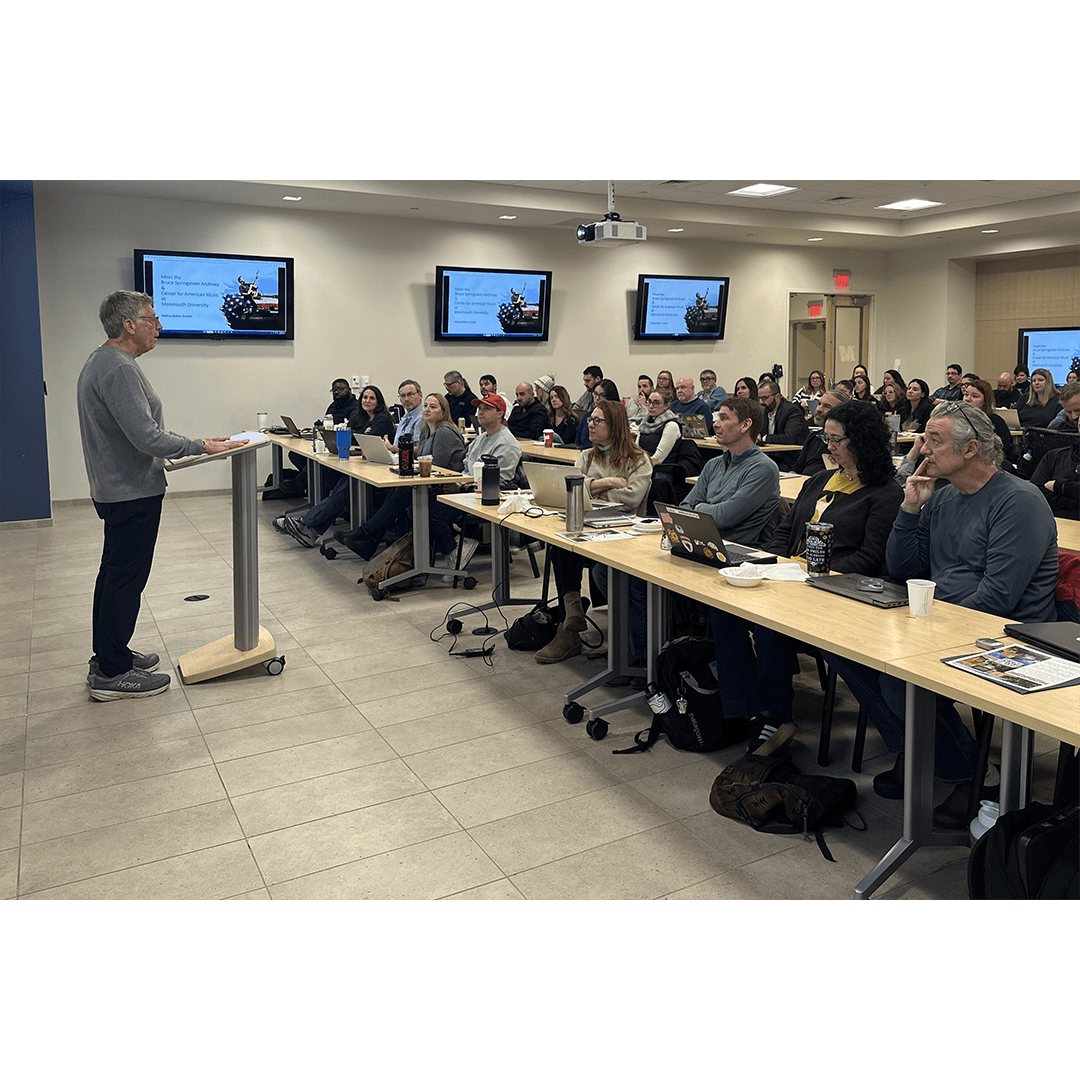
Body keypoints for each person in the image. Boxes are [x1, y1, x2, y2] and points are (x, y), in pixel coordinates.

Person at [825, 401, 1058, 828]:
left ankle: (975, 775)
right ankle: (912, 749)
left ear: (970, 450)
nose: (922, 448)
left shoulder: (1019, 501)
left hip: (1007, 634)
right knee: (842, 649)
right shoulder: (944, 498)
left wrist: (921, 630)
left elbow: (997, 598)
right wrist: (910, 507)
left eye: (934, 440)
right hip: (945, 620)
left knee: (899, 679)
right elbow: (904, 569)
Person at [77, 291, 247, 700]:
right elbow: (146, 436)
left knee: (114, 574)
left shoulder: (103, 362)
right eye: (153, 319)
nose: (160, 326)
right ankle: (113, 675)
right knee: (125, 579)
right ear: (129, 325)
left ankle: (109, 656)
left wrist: (196, 442)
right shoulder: (118, 368)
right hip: (130, 492)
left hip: (118, 489)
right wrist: (201, 446)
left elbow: (138, 433)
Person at [712, 400, 905, 737]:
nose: (828, 449)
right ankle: (744, 707)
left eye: (835, 441)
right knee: (724, 611)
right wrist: (769, 564)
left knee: (772, 625)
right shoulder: (819, 480)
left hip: (835, 589)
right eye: (825, 440)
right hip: (788, 578)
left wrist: (809, 578)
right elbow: (785, 531)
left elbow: (869, 558)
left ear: (861, 442)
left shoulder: (884, 493)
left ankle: (778, 715)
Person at [534, 400, 652, 664]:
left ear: (616, 426)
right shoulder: (586, 456)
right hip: (589, 526)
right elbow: (570, 489)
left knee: (591, 562)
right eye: (590, 420)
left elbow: (632, 499)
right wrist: (608, 482)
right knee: (560, 542)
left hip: (624, 533)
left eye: (597, 421)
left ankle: (577, 621)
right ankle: (572, 613)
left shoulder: (638, 459)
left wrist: (591, 486)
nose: (590, 425)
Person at [339, 394, 468, 571]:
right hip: (431, 484)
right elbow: (420, 455)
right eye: (425, 406)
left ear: (443, 412)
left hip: (448, 488)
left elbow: (438, 467)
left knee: (403, 493)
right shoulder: (426, 429)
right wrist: (395, 454)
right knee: (398, 491)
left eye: (433, 407)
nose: (427, 410)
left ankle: (366, 534)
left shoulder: (444, 432)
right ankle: (369, 541)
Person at [274, 385, 395, 547]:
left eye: (372, 398)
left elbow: (365, 439)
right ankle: (309, 531)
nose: (367, 401)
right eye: (365, 397)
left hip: (380, 471)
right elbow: (345, 433)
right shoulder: (359, 417)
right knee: (340, 483)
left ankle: (305, 524)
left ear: (379, 401)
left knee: (346, 487)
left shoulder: (384, 419)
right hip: (363, 464)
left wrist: (355, 436)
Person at [682, 397, 780, 544]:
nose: (716, 424)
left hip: (737, 551)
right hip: (702, 543)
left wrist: (699, 507)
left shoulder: (763, 469)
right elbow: (684, 508)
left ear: (745, 425)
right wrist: (701, 509)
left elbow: (724, 517)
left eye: (724, 418)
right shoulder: (713, 464)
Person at [287, 378, 359, 493]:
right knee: (295, 455)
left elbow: (348, 428)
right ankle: (311, 483)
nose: (337, 392)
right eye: (334, 390)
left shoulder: (355, 407)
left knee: (320, 461)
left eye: (340, 389)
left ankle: (302, 483)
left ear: (349, 390)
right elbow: (327, 423)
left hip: (344, 445)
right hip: (328, 441)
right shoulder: (333, 405)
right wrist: (317, 429)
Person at [1030, 384, 1080, 519]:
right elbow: (1036, 492)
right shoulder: (1055, 439)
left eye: (1078, 410)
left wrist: (1059, 486)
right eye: (1069, 412)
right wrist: (1075, 502)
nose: (1075, 417)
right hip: (1057, 518)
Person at [463, 393, 524, 488]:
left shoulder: (506, 443)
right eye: (480, 408)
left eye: (487, 408)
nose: (481, 412)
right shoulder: (479, 439)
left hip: (485, 493)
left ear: (500, 414)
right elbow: (466, 468)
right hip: (467, 488)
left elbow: (499, 481)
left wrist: (463, 488)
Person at [792, 388, 850, 476]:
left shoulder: (845, 441)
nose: (819, 409)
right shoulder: (814, 437)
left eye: (827, 406)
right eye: (819, 404)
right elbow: (797, 467)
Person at [756, 381, 809, 469]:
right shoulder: (764, 411)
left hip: (789, 459)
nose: (761, 402)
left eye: (765, 398)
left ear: (777, 397)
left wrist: (764, 438)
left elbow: (788, 438)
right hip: (770, 457)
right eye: (759, 398)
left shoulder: (792, 411)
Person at [963, 377, 1013, 448]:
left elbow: (1002, 449)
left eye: (974, 396)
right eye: (966, 394)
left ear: (985, 401)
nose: (968, 399)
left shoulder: (995, 421)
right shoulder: (959, 418)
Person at [385, 380, 425, 452]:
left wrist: (392, 448)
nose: (406, 399)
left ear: (420, 395)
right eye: (403, 396)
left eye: (410, 394)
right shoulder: (406, 417)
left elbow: (419, 450)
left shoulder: (422, 417)